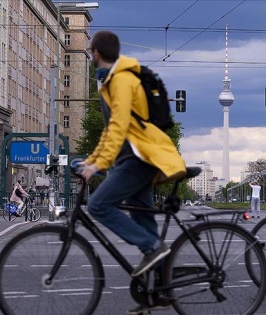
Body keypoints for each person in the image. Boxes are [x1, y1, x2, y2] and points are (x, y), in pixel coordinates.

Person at [81, 30, 186, 313]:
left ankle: (153, 248)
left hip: (140, 158)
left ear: (96, 53)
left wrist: (98, 165)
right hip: (131, 157)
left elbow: (119, 126)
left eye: (91, 52)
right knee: (141, 216)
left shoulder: (123, 80)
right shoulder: (111, 80)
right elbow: (110, 130)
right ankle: (157, 290)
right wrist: (92, 160)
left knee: (98, 205)